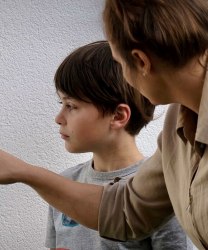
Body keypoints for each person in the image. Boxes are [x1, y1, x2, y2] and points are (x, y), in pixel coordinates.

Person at [0, 0, 208, 248]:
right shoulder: (178, 124)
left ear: (141, 62)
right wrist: (24, 172)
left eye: (120, 63)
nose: (124, 77)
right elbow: (128, 210)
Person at [44, 41, 190, 249]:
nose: (59, 118)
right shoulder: (64, 184)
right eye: (62, 104)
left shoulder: (163, 192)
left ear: (118, 115)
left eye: (71, 106)